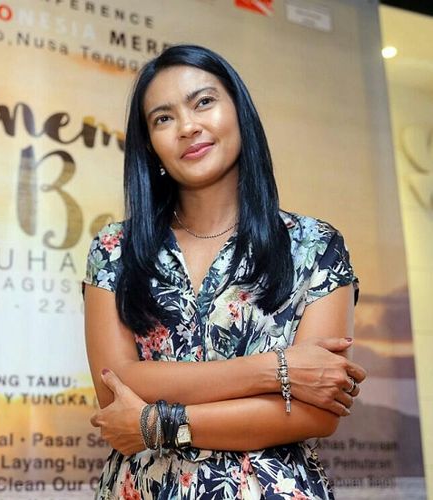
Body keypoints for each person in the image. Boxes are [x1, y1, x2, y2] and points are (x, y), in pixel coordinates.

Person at [83, 44, 366, 499]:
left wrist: (158, 423)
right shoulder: (115, 248)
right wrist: (278, 370)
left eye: (203, 102)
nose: (187, 126)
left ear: (239, 112)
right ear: (150, 144)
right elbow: (115, 384)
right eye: (163, 118)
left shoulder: (316, 245)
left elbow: (317, 411)